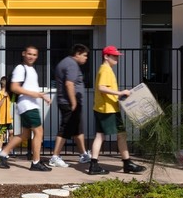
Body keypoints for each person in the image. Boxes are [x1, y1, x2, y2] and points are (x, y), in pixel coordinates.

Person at [88, 45, 146, 175]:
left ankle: (95, 165)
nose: (117, 59)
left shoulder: (105, 69)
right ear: (106, 56)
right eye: (114, 56)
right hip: (108, 110)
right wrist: (119, 93)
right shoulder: (105, 70)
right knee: (120, 135)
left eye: (117, 56)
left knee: (102, 136)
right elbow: (101, 87)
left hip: (103, 108)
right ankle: (127, 163)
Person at [0, 45, 52, 171]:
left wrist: (41, 96)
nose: (31, 56)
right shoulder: (20, 68)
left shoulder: (31, 69)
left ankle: (2, 155)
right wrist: (36, 95)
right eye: (29, 54)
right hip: (27, 105)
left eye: (34, 54)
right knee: (39, 132)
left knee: (25, 134)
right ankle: (36, 162)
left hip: (30, 105)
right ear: (24, 54)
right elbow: (14, 87)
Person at [49, 44, 91, 168]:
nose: (86, 58)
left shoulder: (65, 62)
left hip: (66, 101)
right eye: (84, 55)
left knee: (78, 129)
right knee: (66, 129)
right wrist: (74, 103)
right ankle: (55, 157)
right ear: (77, 54)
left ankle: (83, 154)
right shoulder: (72, 64)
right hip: (69, 103)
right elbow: (69, 84)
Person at [0, 76, 12, 154]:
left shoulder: (8, 93)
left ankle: (9, 148)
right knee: (2, 135)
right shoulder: (0, 93)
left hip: (8, 117)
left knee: (11, 132)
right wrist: (4, 97)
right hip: (1, 118)